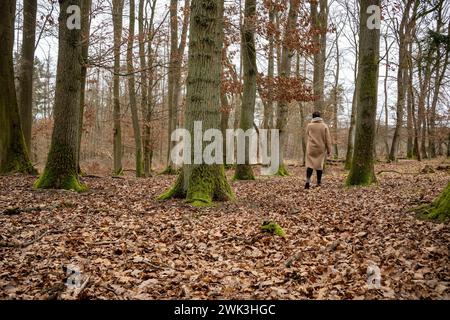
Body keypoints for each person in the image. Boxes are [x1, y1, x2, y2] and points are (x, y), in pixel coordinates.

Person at [305, 111, 332, 189]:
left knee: (310, 164)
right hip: (320, 148)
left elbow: (307, 134)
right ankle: (319, 182)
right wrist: (329, 150)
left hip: (311, 148)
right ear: (320, 117)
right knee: (319, 165)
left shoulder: (309, 125)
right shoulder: (324, 126)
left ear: (313, 117)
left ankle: (307, 180)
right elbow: (328, 139)